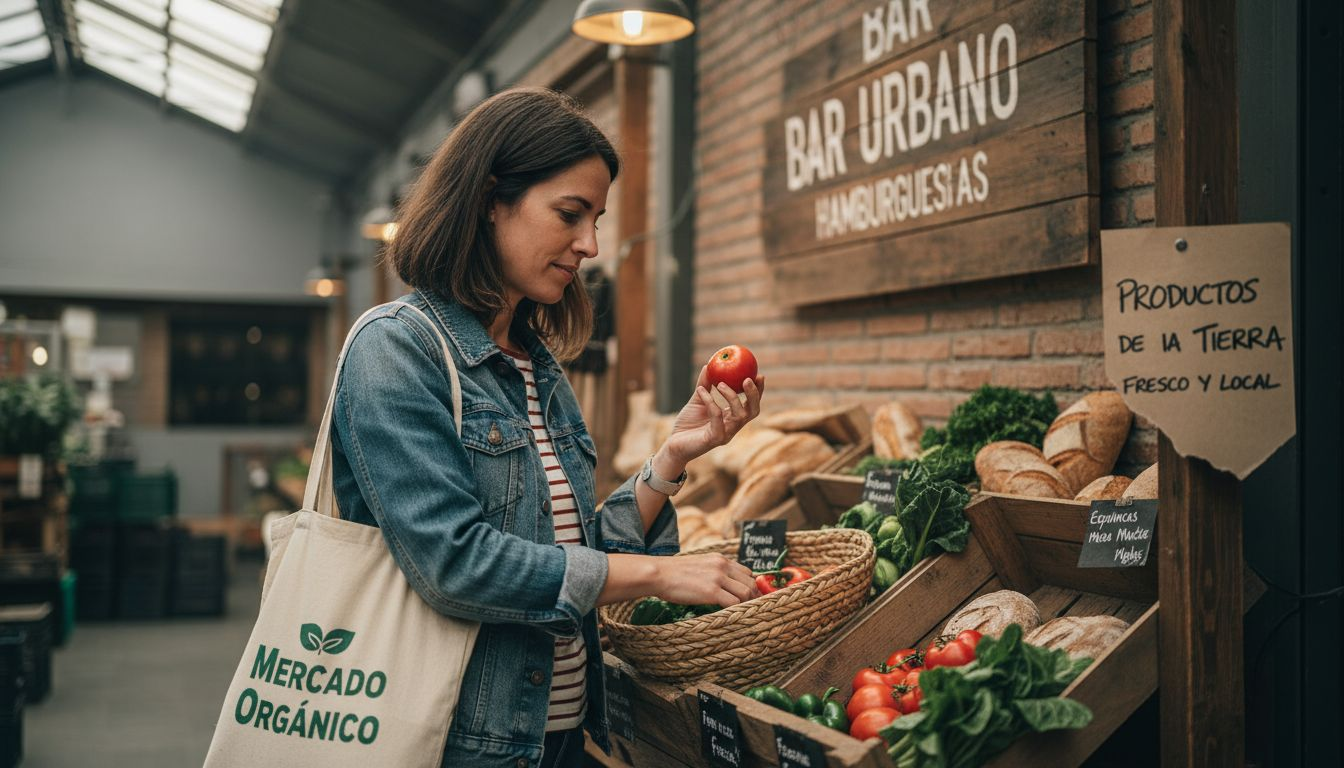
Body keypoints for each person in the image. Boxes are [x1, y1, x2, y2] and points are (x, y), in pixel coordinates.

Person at [330, 87, 766, 768]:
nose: (590, 244)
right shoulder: (394, 349)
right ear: (489, 200)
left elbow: (577, 551)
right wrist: (658, 575)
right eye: (570, 214)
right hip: (456, 746)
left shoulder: (536, 367)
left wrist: (672, 459)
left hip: (560, 739)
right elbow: (456, 565)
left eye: (596, 218)